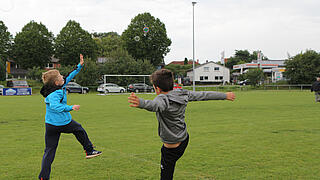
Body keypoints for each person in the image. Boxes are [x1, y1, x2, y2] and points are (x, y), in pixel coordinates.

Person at [128, 69, 235, 180]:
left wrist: (142, 103)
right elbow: (203, 95)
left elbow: (155, 105)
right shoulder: (183, 93)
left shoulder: (162, 99)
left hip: (171, 148)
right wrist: (224, 95)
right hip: (184, 139)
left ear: (157, 88)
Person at [38, 54, 101, 180]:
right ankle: (89, 151)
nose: (63, 77)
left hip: (50, 125)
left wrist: (79, 66)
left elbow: (70, 75)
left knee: (49, 151)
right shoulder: (54, 93)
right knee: (79, 129)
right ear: (57, 82)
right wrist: (70, 107)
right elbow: (55, 106)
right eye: (61, 76)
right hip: (63, 123)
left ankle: (43, 177)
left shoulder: (58, 85)